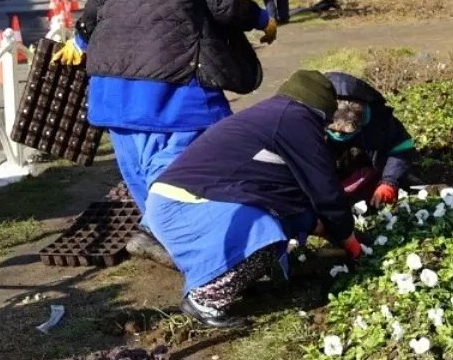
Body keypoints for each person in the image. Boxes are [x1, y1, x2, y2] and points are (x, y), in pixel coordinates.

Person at [55, 0, 277, 265]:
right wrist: (261, 17)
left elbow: (96, 2)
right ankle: (200, 249)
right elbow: (222, 5)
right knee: (187, 162)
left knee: (138, 167)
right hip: (169, 79)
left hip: (110, 81)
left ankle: (158, 233)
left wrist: (81, 41)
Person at [146, 70, 363, 327]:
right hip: (184, 205)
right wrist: (348, 237)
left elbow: (293, 194)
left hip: (179, 200)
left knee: (285, 218)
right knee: (266, 238)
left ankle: (233, 275)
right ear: (323, 111)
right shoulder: (297, 121)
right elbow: (325, 189)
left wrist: (321, 227)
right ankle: (205, 300)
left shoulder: (278, 114)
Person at [323, 71, 416, 207]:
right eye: (334, 131)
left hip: (370, 169)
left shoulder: (380, 120)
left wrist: (389, 182)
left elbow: (401, 149)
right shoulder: (312, 116)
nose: (338, 135)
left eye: (345, 132)